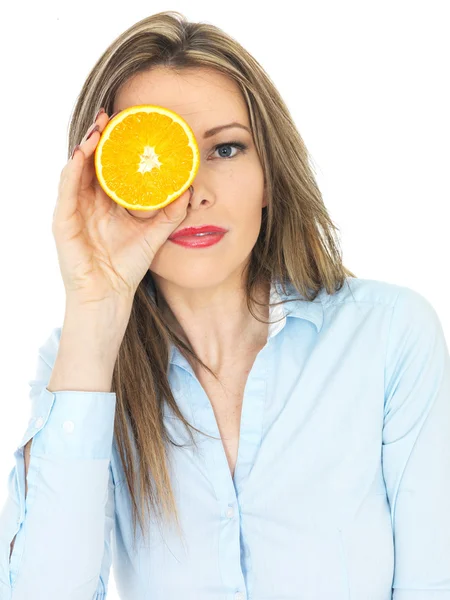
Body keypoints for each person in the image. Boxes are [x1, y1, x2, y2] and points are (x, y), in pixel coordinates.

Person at [0, 10, 449, 600]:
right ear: (103, 178)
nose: (195, 193)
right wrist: (94, 308)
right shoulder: (80, 366)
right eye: (158, 157)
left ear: (270, 174)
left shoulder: (390, 334)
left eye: (226, 149)